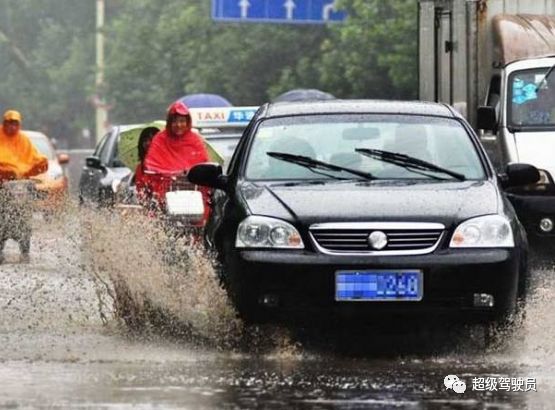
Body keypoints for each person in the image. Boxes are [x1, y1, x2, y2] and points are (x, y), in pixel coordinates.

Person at [142, 101, 211, 222]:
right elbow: (152, 163)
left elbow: (203, 164)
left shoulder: (195, 140)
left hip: (193, 192)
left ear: (187, 122)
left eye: (182, 121)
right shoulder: (160, 139)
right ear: (169, 122)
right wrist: (167, 173)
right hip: (165, 192)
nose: (178, 125)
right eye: (174, 121)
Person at [0, 110, 48, 263]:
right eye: (9, 123)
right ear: (4, 123)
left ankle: (25, 247)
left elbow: (34, 158)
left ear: (19, 125)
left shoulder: (24, 140)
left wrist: (40, 163)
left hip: (20, 186)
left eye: (15, 123)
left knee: (25, 216)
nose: (12, 126)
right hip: (2, 184)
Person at [134, 126, 159, 203]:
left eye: (151, 139)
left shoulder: (168, 161)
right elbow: (140, 191)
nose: (148, 143)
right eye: (145, 140)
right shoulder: (140, 167)